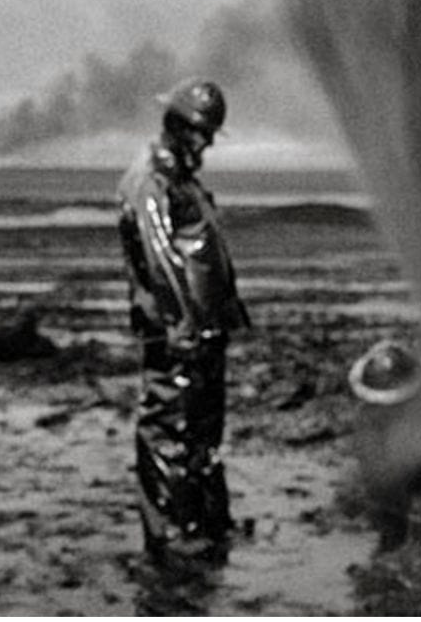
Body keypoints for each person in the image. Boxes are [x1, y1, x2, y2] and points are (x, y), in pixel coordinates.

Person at [117, 77, 250, 564]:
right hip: (178, 334)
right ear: (175, 124)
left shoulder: (181, 179)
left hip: (203, 331)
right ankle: (168, 537)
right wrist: (182, 327)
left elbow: (203, 254)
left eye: (209, 132)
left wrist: (219, 318)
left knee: (201, 431)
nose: (207, 141)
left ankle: (203, 523)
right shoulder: (150, 179)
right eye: (200, 131)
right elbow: (161, 261)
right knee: (167, 430)